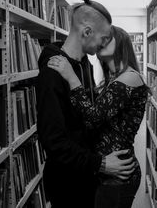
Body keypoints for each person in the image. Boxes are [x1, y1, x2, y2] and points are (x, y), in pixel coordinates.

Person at [36, 0, 135, 208]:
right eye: (104, 38)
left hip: (86, 177)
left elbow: (85, 117)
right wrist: (100, 164)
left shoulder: (84, 65)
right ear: (87, 31)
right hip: (67, 184)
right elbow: (54, 142)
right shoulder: (53, 72)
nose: (105, 44)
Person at [48, 25, 150, 208]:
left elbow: (93, 117)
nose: (100, 41)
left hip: (118, 175)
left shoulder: (128, 78)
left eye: (107, 38)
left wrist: (72, 78)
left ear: (121, 44)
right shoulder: (115, 78)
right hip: (111, 172)